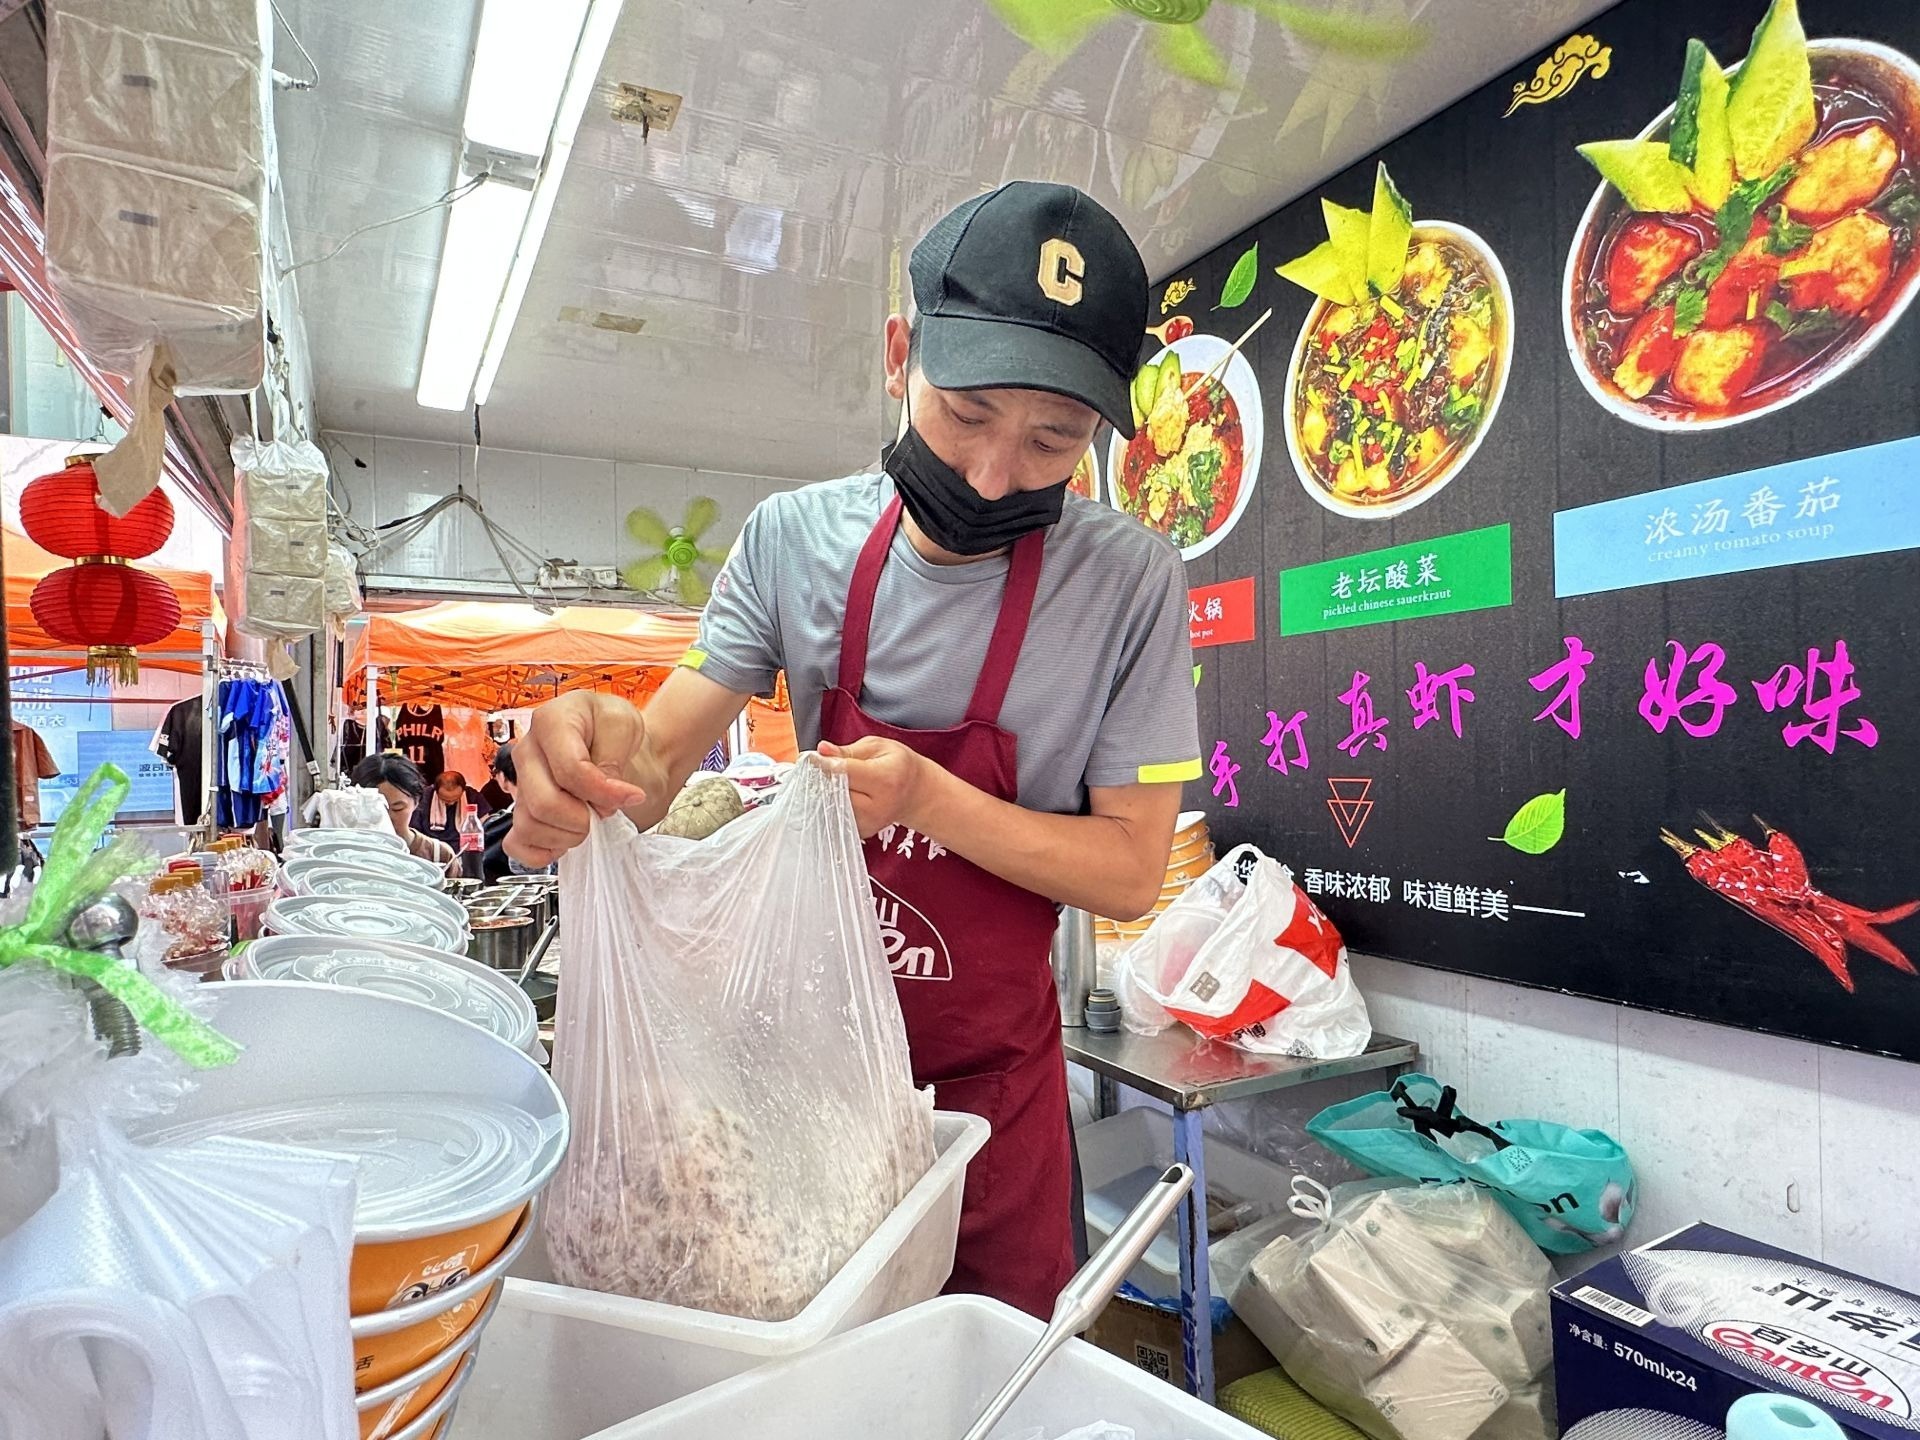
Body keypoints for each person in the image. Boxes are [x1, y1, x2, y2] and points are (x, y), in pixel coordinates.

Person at [508, 181, 1200, 1320]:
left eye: (1054, 440)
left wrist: (929, 796)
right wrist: (590, 758)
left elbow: (1130, 869)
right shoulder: (792, 542)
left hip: (992, 1101)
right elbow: (659, 761)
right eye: (966, 413)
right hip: (794, 1092)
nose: (993, 474)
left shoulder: (1129, 584)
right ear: (898, 356)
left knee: (985, 1376)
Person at [352, 753, 456, 875]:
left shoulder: (439, 855)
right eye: (376, 809)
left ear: (416, 802)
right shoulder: (344, 852)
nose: (386, 818)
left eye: (397, 808)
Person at [412, 769, 489, 853]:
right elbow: (414, 830)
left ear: (463, 790)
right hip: (432, 848)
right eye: (445, 800)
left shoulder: (472, 796)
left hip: (464, 849)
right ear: (436, 791)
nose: (451, 803)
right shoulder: (424, 797)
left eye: (455, 799)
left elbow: (485, 824)